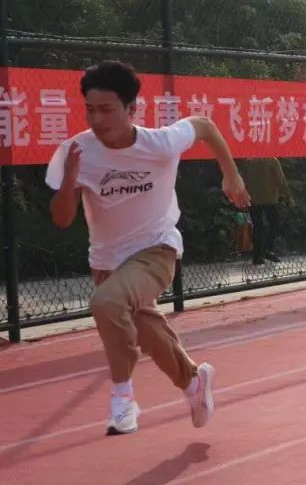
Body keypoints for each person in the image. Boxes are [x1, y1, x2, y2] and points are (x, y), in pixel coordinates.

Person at [46, 61, 251, 436]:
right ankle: (194, 382)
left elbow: (204, 125)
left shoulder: (160, 143)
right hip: (107, 262)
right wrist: (70, 181)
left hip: (156, 249)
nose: (97, 119)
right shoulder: (76, 151)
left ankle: (122, 400)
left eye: (107, 109)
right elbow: (61, 219)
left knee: (107, 304)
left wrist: (231, 173)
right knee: (149, 331)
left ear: (131, 109)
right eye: (90, 109)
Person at [243, 157, 292, 265]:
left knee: (257, 226)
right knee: (274, 222)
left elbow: (244, 179)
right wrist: (288, 196)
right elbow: (280, 179)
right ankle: (267, 248)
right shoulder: (272, 160)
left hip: (253, 198)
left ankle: (257, 256)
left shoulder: (249, 161)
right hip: (270, 198)